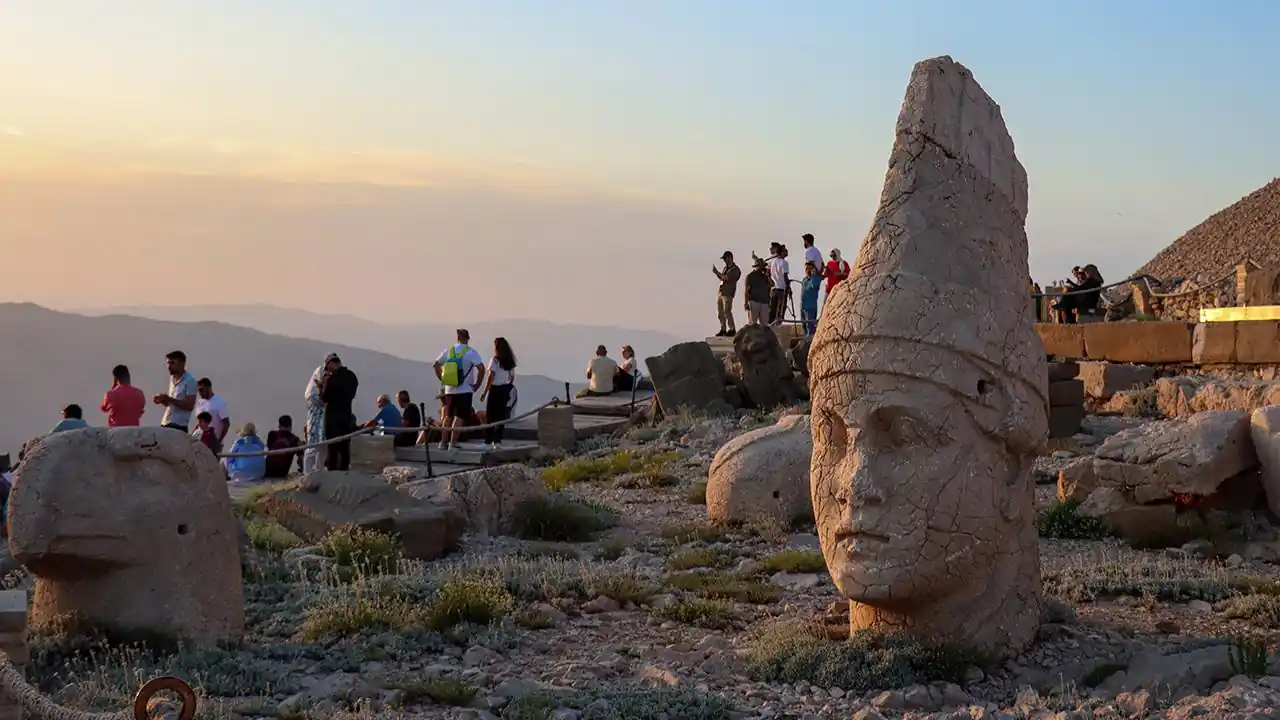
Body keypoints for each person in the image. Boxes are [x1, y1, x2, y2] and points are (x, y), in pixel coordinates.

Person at [433, 329, 486, 450]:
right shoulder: (470, 352)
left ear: (457, 338)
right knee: (460, 417)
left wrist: (442, 378)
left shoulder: (449, 351)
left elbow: (436, 364)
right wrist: (477, 384)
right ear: (468, 338)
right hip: (465, 389)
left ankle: (443, 442)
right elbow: (481, 369)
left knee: (448, 416)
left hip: (449, 390)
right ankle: (453, 442)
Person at [319, 353, 359, 471]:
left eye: (328, 367)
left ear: (331, 363)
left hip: (332, 417)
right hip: (346, 415)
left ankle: (332, 472)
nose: (328, 370)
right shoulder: (352, 377)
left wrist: (323, 385)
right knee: (344, 446)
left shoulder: (331, 379)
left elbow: (325, 398)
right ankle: (344, 470)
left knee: (332, 446)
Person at [480, 337, 518, 448]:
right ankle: (497, 441)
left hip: (495, 389)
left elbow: (491, 376)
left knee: (490, 415)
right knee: (501, 415)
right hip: (506, 388)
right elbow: (512, 377)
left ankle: (488, 441)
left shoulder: (495, 360)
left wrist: (485, 391)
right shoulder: (510, 361)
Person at [154, 350, 197, 432]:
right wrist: (163, 400)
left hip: (178, 426)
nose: (169, 366)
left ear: (182, 363)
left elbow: (189, 405)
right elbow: (173, 404)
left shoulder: (190, 381)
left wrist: (169, 399)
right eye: (168, 363)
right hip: (165, 423)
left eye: (172, 363)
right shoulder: (172, 379)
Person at [303, 359, 328, 473]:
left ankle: (318, 471)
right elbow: (321, 401)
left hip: (323, 423)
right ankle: (307, 472)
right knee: (312, 449)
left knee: (323, 449)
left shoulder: (323, 389)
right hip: (315, 423)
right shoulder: (312, 391)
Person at [195, 378, 231, 451]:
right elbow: (198, 423)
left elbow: (226, 423)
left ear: (208, 388)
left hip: (213, 443)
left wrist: (218, 441)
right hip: (201, 442)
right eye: (199, 391)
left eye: (202, 390)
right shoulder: (200, 403)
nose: (200, 393)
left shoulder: (219, 402)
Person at [712, 251, 741, 337]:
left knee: (727, 311)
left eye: (725, 258)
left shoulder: (735, 270)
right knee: (720, 312)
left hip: (728, 293)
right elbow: (722, 278)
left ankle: (732, 329)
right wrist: (718, 274)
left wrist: (717, 272)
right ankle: (723, 328)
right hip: (721, 291)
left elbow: (726, 278)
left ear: (730, 258)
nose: (724, 260)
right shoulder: (726, 268)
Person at [767, 245, 791, 325]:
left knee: (772, 309)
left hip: (774, 289)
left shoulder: (773, 262)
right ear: (781, 252)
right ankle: (778, 324)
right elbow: (785, 276)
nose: (786, 252)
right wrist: (789, 287)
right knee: (781, 309)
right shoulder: (784, 263)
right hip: (781, 289)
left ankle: (770, 324)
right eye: (785, 251)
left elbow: (769, 273)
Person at [743, 257, 771, 325]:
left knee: (765, 324)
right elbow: (746, 291)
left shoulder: (765, 276)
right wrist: (746, 302)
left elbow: (772, 284)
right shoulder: (750, 276)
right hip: (754, 301)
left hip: (764, 302)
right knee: (753, 324)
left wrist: (768, 276)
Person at [801, 261, 822, 336]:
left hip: (810, 306)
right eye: (806, 269)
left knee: (810, 325)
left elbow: (814, 285)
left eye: (810, 269)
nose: (808, 271)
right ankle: (806, 337)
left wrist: (813, 275)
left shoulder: (816, 279)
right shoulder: (804, 280)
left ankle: (810, 338)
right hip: (803, 306)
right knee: (804, 324)